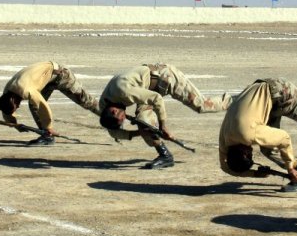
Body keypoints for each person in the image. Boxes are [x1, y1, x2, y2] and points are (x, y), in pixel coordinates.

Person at [99, 63, 233, 169]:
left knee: (202, 106)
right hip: (147, 90)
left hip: (165, 78)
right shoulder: (104, 106)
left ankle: (235, 100)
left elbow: (156, 98)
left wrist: (163, 126)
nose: (124, 119)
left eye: (123, 117)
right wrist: (140, 132)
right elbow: (113, 132)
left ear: (114, 111)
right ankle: (165, 156)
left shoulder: (124, 92)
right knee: (144, 122)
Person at [0, 61, 100, 145]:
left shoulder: (25, 90)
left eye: (17, 106)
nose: (18, 106)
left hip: (61, 75)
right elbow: (6, 110)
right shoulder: (7, 93)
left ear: (14, 100)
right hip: (46, 79)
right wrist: (14, 124)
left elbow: (42, 107)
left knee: (86, 102)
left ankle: (111, 118)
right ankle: (47, 137)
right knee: (33, 105)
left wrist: (49, 127)